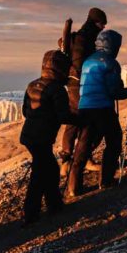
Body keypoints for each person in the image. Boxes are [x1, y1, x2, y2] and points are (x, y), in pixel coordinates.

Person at [68, 30, 127, 196]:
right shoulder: (110, 63)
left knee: (83, 146)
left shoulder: (87, 61)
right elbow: (114, 92)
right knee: (114, 141)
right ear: (112, 45)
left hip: (84, 108)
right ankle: (106, 181)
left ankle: (73, 187)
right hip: (103, 109)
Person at [19, 50, 78, 225]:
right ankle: (31, 213)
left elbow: (25, 111)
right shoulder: (57, 89)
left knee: (48, 169)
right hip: (42, 137)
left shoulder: (32, 85)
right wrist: (81, 119)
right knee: (41, 173)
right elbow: (63, 116)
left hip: (29, 135)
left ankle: (53, 205)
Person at [59, 7, 107, 176]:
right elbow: (80, 64)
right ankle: (83, 158)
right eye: (102, 24)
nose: (103, 27)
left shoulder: (82, 36)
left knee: (73, 121)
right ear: (96, 22)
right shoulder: (85, 38)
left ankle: (66, 161)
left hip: (74, 83)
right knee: (87, 122)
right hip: (81, 84)